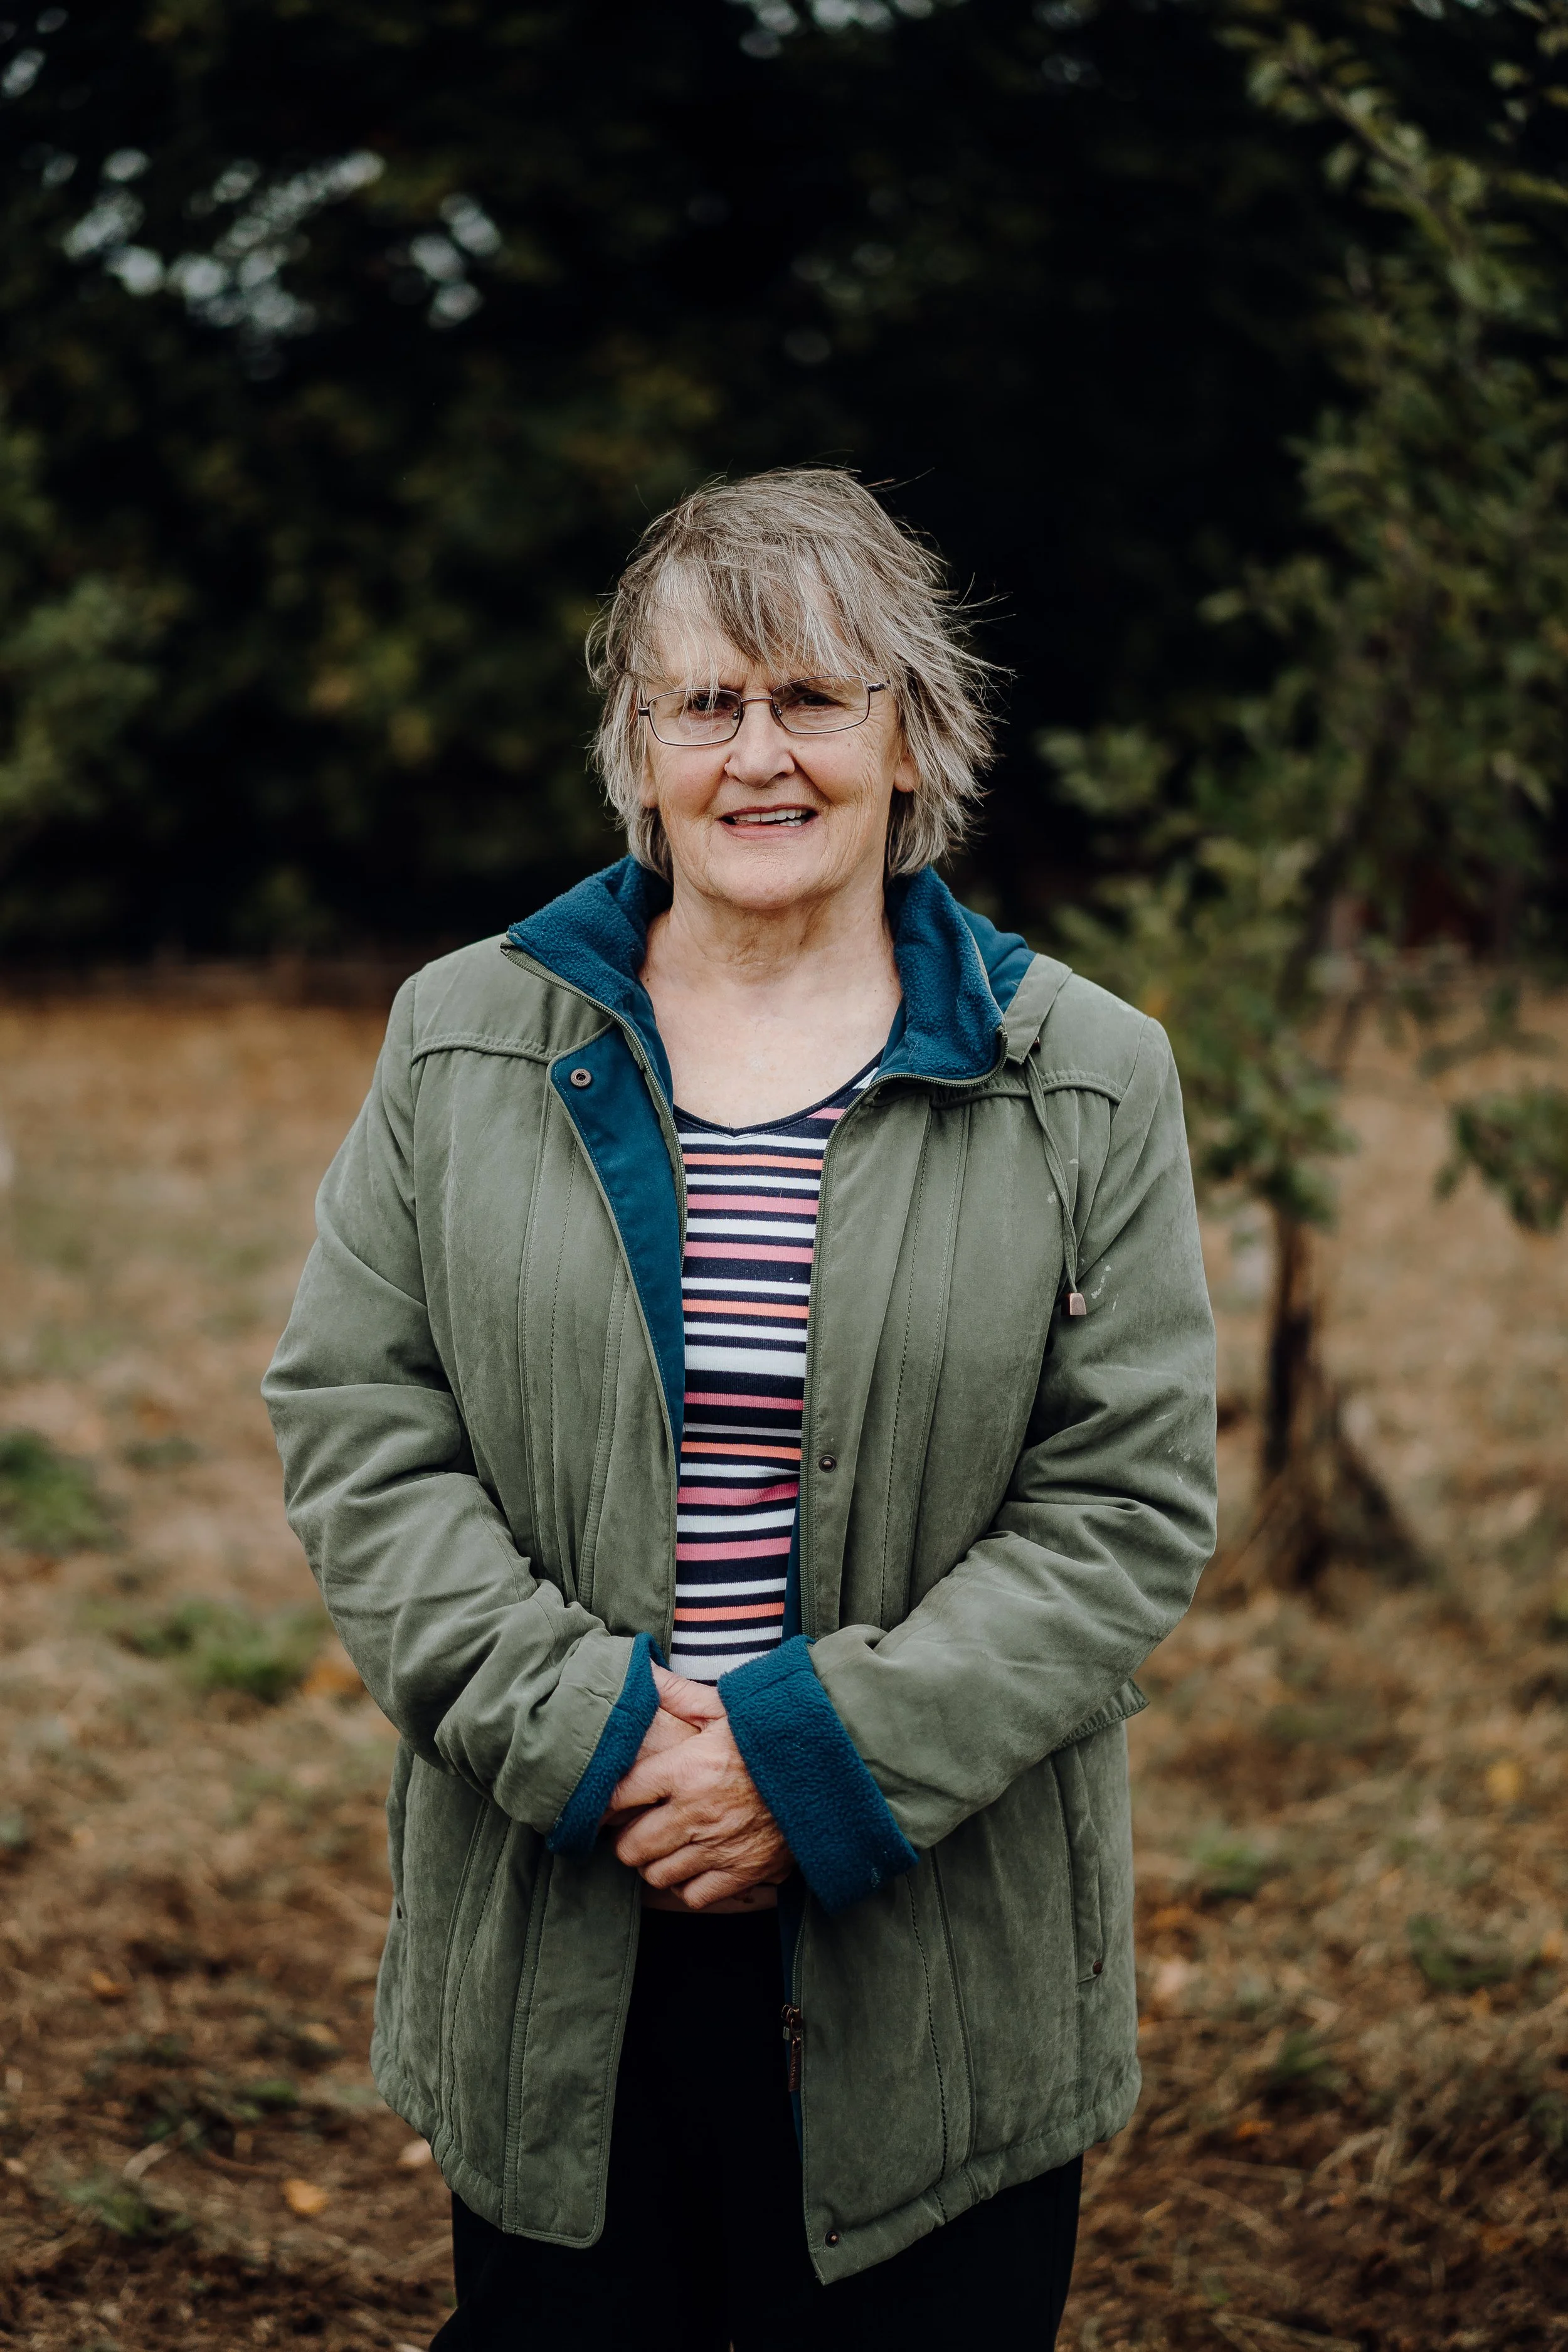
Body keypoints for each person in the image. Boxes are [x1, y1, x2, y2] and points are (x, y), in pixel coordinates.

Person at [263, 467, 1217, 2350]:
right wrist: (599, 1729)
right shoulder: (463, 1036)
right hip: (563, 1902)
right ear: (636, 743)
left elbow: (1121, 1505)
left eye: (816, 698)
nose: (757, 754)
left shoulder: (1086, 1074)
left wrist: (805, 1758)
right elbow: (359, 1420)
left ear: (912, 732)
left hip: (935, 1946)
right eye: (707, 701)